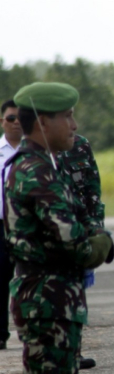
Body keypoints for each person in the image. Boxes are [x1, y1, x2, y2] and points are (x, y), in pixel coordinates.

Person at [5, 82, 114, 373]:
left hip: (53, 302)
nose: (74, 125)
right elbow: (74, 242)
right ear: (43, 122)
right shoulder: (37, 173)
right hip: (47, 303)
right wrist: (103, 242)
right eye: (67, 116)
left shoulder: (39, 166)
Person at [57, 134, 106, 369]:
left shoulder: (80, 144)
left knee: (77, 291)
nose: (71, 124)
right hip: (50, 233)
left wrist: (97, 227)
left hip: (80, 229)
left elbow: (92, 187)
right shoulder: (34, 149)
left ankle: (75, 350)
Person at [0, 99, 22, 351]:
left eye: (20, 118)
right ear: (2, 121)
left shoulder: (37, 150)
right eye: (10, 118)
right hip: (1, 224)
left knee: (29, 278)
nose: (15, 123)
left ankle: (31, 331)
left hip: (28, 225)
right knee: (0, 277)